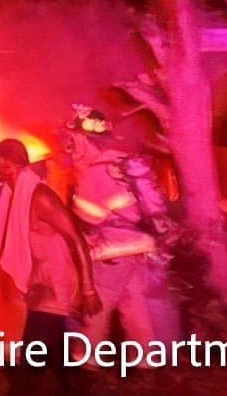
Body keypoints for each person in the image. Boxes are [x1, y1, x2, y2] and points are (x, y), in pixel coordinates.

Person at [0, 138, 101, 384]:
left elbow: (77, 240)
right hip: (39, 284)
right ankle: (76, 385)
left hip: (55, 286)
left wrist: (88, 289)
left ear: (9, 164)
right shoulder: (13, 195)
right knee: (57, 360)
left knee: (29, 363)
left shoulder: (40, 197)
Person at [63, 105, 181, 351]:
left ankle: (86, 360)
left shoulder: (95, 172)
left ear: (83, 139)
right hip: (142, 248)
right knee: (135, 306)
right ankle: (146, 361)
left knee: (97, 305)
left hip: (114, 252)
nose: (71, 145)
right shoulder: (124, 162)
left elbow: (89, 220)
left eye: (73, 138)